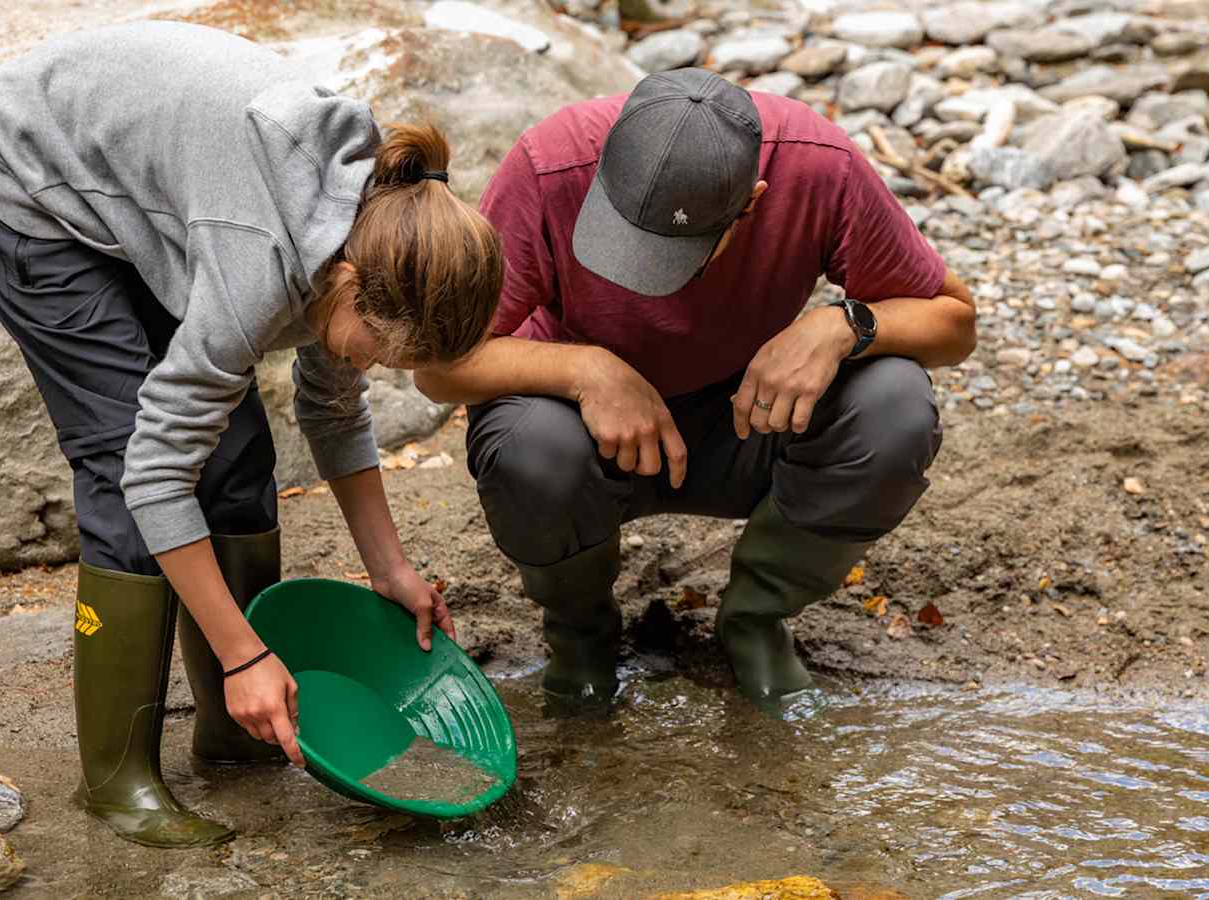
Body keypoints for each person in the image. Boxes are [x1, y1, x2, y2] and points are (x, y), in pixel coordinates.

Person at [0, 21, 502, 848]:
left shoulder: (380, 228)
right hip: (28, 177)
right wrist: (244, 652)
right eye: (382, 349)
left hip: (159, 190)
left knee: (239, 457)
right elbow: (154, 472)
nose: (379, 368)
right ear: (343, 281)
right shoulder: (262, 264)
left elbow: (335, 407)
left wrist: (391, 569)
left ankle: (236, 728)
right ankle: (119, 780)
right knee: (123, 459)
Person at [415, 68, 975, 706]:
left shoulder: (819, 166)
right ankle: (580, 631)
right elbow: (437, 368)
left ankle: (757, 617)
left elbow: (955, 326)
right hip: (580, 437)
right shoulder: (550, 166)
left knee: (896, 405)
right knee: (526, 445)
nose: (646, 275)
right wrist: (584, 370)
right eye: (623, 239)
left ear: (753, 201)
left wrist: (843, 325)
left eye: (674, 252)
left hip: (746, 423)